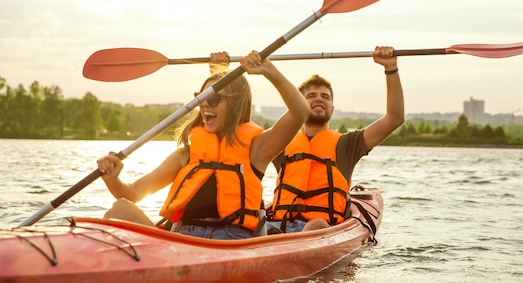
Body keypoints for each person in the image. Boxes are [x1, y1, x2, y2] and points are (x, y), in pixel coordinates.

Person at [96, 50, 310, 240]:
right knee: (121, 209)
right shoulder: (186, 155)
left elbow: (300, 112)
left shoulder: (257, 150)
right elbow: (133, 193)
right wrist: (112, 179)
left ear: (236, 105)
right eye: (202, 98)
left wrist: (268, 70)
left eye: (214, 99)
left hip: (228, 243)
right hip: (181, 239)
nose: (205, 103)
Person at [267, 45, 404, 233]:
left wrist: (390, 68)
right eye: (311, 96)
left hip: (320, 228)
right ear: (297, 105)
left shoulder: (347, 144)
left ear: (332, 109)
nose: (319, 99)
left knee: (317, 225)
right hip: (277, 226)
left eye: (325, 96)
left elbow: (394, 118)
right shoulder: (281, 142)